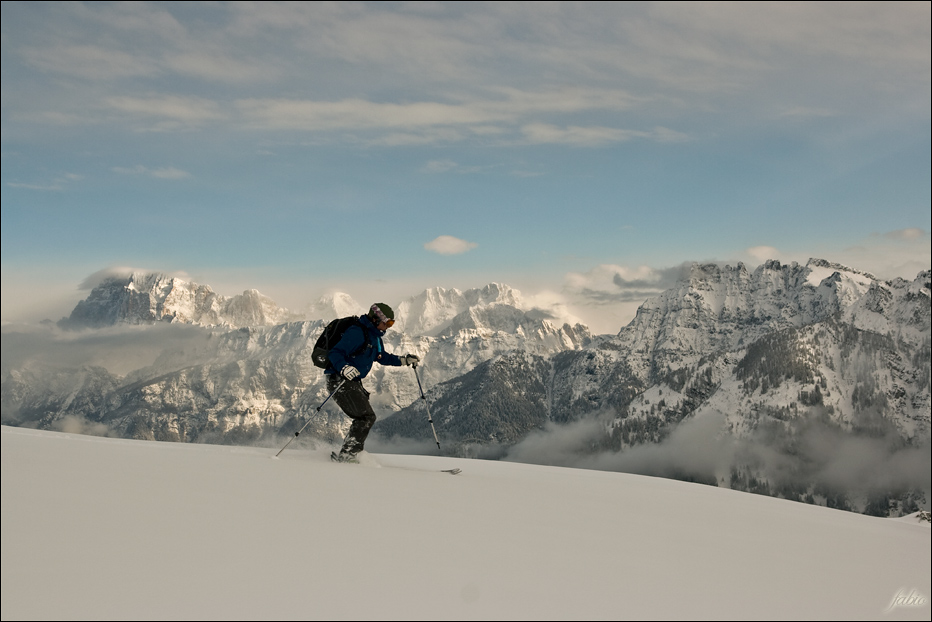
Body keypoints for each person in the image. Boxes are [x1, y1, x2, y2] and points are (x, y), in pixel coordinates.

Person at [326, 303, 419, 462]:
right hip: (339, 380)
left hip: (352, 381)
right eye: (387, 322)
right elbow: (335, 353)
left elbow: (382, 357)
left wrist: (404, 360)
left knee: (365, 416)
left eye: (392, 323)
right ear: (376, 319)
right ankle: (349, 456)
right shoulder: (357, 333)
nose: (388, 327)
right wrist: (344, 368)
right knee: (366, 417)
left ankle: (349, 453)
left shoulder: (374, 336)